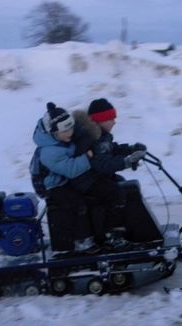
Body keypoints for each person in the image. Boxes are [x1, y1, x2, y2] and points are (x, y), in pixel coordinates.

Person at [69, 98, 147, 245]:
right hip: (85, 180)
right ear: (100, 120)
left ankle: (122, 227)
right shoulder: (90, 137)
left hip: (92, 176)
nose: (114, 122)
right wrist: (126, 161)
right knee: (115, 192)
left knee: (123, 185)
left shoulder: (100, 134)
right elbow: (102, 163)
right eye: (110, 119)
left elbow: (111, 149)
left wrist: (131, 149)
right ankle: (110, 234)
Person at [32, 102, 97, 253]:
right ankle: (81, 241)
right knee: (76, 202)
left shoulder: (61, 141)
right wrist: (87, 158)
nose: (70, 133)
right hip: (50, 186)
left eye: (71, 127)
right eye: (65, 130)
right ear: (53, 133)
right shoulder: (49, 151)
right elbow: (70, 169)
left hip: (61, 180)